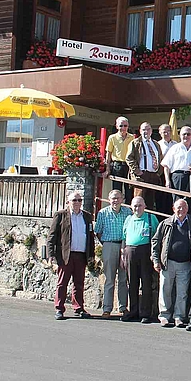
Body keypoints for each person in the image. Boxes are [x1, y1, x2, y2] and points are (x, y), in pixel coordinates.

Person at [151, 199, 191, 327]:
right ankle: (164, 316)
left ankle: (179, 316)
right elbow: (155, 242)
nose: (181, 210)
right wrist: (156, 260)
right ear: (173, 209)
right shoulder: (165, 223)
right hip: (168, 263)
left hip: (185, 264)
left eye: (184, 207)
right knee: (165, 290)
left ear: (187, 209)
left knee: (182, 292)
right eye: (178, 207)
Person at [48, 191, 95, 320]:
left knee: (79, 283)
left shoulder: (86, 216)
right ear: (68, 202)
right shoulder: (60, 215)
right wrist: (51, 253)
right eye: (74, 200)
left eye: (79, 200)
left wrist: (91, 255)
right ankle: (59, 308)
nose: (77, 203)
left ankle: (78, 308)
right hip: (66, 255)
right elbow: (52, 235)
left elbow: (90, 236)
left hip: (81, 254)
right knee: (62, 283)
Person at [94, 189, 132, 318]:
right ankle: (107, 308)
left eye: (118, 198)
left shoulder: (128, 212)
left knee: (123, 279)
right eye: (113, 198)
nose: (115, 200)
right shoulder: (102, 213)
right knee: (109, 279)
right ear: (109, 200)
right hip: (109, 245)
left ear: (122, 199)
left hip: (124, 246)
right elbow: (98, 231)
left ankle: (123, 307)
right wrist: (106, 244)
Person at [121, 196, 159, 323]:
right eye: (135, 206)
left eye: (140, 205)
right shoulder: (128, 219)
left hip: (145, 251)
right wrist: (123, 252)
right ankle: (133, 311)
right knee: (132, 283)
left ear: (145, 206)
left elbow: (157, 237)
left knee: (146, 283)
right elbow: (124, 237)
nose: (137, 208)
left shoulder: (150, 218)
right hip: (130, 251)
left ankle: (146, 313)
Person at [161, 126, 191, 215]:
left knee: (190, 203)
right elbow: (166, 166)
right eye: (184, 134)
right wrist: (167, 181)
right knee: (177, 203)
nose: (186, 136)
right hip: (177, 178)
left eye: (188, 134)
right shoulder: (174, 148)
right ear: (180, 135)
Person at [126, 122, 164, 209]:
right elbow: (129, 158)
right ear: (140, 131)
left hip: (153, 176)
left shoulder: (156, 144)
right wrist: (137, 171)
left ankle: (149, 221)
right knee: (139, 201)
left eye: (148, 129)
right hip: (141, 176)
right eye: (143, 129)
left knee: (150, 203)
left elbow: (161, 159)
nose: (146, 131)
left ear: (151, 131)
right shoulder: (135, 143)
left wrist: (158, 173)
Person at [105, 116, 135, 202]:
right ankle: (116, 208)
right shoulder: (112, 137)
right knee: (117, 190)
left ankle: (128, 209)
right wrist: (107, 169)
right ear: (117, 126)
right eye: (121, 125)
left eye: (125, 126)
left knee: (129, 189)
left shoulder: (132, 137)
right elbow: (109, 153)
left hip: (128, 165)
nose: (123, 128)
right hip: (117, 165)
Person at [156, 124, 177, 213]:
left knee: (171, 197)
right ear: (160, 133)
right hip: (161, 174)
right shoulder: (157, 144)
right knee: (161, 197)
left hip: (173, 173)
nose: (166, 133)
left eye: (168, 131)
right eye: (164, 132)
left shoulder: (176, 144)